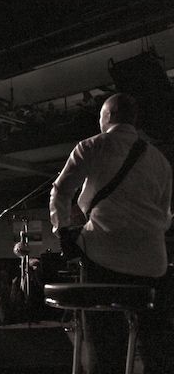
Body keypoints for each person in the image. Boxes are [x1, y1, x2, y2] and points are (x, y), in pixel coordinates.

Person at [49, 93, 174, 373]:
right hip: (153, 265)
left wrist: (62, 230)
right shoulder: (160, 160)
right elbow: (165, 216)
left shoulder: (92, 146)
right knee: (155, 347)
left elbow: (61, 190)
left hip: (104, 258)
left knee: (104, 344)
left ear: (108, 116)